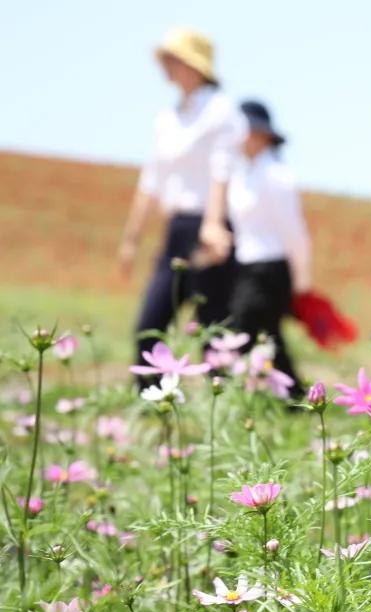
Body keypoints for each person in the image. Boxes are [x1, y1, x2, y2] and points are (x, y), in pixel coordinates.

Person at [119, 28, 244, 386]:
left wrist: (214, 223)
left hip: (207, 227)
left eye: (173, 59)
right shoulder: (169, 118)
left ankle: (225, 412)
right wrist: (131, 238)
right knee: (150, 325)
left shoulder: (221, 110)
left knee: (213, 327)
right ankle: (152, 406)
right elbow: (151, 180)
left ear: (195, 64)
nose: (166, 66)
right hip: (176, 229)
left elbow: (223, 170)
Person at [226, 100, 312, 396]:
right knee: (267, 337)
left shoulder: (276, 176)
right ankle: (292, 397)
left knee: (249, 332)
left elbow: (294, 231)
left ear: (261, 135)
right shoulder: (241, 175)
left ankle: (285, 395)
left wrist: (302, 279)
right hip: (245, 266)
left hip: (271, 267)